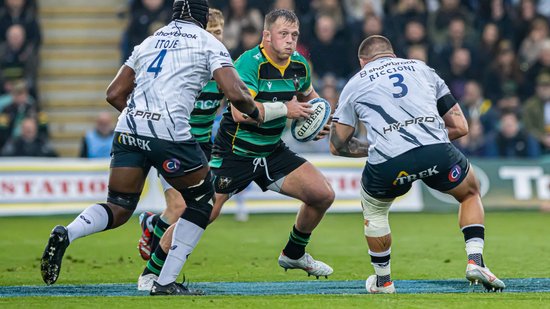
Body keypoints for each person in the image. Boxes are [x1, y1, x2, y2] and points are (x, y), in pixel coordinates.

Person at [39, 0, 262, 297]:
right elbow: (236, 93)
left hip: (128, 129)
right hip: (170, 135)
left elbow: (114, 93)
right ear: (202, 16)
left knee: (119, 206)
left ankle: (68, 232)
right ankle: (164, 281)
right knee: (202, 202)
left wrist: (140, 120)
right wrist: (256, 112)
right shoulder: (209, 43)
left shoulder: (150, 40)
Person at [140, 9, 336, 290]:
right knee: (203, 211)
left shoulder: (299, 65)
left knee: (322, 194)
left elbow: (310, 97)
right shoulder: (248, 64)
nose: (290, 41)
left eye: (294, 35)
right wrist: (287, 110)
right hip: (234, 152)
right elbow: (241, 113)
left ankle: (293, 254)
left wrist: (318, 118)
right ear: (266, 36)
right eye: (283, 34)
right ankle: (151, 272)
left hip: (271, 152)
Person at [329, 35, 505, 293]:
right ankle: (475, 261)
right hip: (436, 152)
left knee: (375, 211)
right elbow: (460, 126)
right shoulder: (422, 68)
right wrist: (427, 137)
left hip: (389, 161)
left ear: (362, 62)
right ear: (393, 54)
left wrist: (380, 145)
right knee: (470, 192)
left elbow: (337, 145)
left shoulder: (354, 84)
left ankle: (383, 281)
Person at [135, 7, 228, 290]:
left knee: (203, 211)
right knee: (179, 207)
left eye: (219, 32)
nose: (216, 38)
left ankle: (153, 228)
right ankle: (151, 273)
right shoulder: (184, 67)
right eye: (211, 33)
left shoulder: (225, 68)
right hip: (174, 143)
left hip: (203, 147)